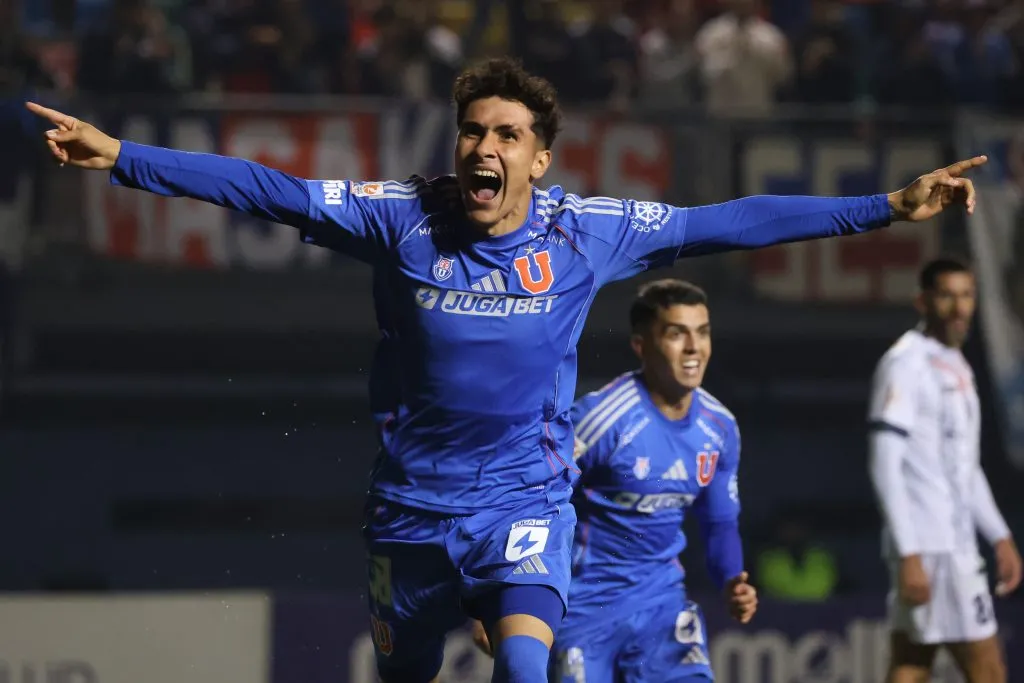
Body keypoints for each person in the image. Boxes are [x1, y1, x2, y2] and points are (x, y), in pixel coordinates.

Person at [27, 55, 983, 683]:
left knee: (528, 672)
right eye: (472, 130)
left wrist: (886, 207)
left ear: (540, 158)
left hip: (522, 505)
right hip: (408, 511)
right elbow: (265, 190)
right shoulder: (399, 214)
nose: (484, 147)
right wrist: (122, 159)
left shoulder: (584, 231)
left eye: (506, 135)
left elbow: (723, 223)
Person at [473, 278, 756, 682]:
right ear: (641, 345)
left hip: (662, 605)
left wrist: (731, 578)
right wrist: (498, 596)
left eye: (702, 332)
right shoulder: (601, 420)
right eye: (677, 334)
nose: (694, 348)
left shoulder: (720, 427)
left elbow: (719, 520)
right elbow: (526, 497)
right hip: (585, 611)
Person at [868, 257, 1023, 683]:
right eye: (947, 296)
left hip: (950, 544)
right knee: (988, 670)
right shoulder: (906, 363)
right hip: (934, 549)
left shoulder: (955, 364)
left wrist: (999, 535)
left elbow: (965, 467)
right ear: (922, 301)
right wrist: (910, 552)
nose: (960, 308)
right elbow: (884, 462)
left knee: (911, 663)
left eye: (967, 295)